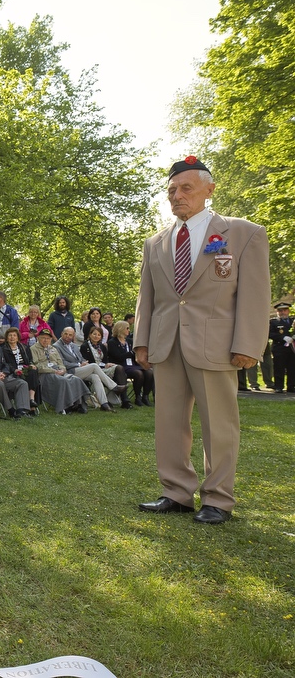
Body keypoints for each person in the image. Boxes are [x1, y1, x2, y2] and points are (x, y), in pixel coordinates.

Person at [134, 156, 270, 525]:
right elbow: (148, 297)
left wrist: (248, 344)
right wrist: (141, 341)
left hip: (217, 345)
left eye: (185, 188)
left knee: (219, 424)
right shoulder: (156, 242)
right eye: (171, 191)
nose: (177, 196)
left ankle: (218, 499)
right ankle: (176, 493)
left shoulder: (244, 234)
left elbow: (255, 296)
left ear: (209, 190)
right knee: (169, 422)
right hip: (167, 343)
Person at [54, 326, 123, 412]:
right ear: (61, 334)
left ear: (73, 336)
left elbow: (81, 358)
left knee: (95, 377)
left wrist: (84, 363)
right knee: (94, 366)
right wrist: (79, 364)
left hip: (80, 370)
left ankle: (104, 404)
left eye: (70, 335)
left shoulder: (74, 346)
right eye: (66, 334)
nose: (68, 336)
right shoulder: (56, 346)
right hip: (69, 371)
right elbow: (62, 363)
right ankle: (114, 387)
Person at [29, 328, 90, 414]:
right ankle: (66, 406)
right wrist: (52, 370)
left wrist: (63, 369)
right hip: (45, 374)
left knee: (76, 379)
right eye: (43, 338)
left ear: (51, 339)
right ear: (38, 338)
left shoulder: (53, 348)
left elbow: (60, 362)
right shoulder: (33, 349)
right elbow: (36, 365)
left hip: (58, 371)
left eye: (48, 338)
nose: (45, 340)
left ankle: (78, 404)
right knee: (63, 381)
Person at [81, 322, 131, 408]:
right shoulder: (85, 346)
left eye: (99, 335)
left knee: (119, 368)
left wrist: (107, 364)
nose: (96, 336)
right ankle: (114, 389)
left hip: (103, 368)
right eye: (94, 334)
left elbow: (105, 360)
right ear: (90, 335)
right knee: (100, 370)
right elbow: (86, 362)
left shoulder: (102, 347)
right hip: (92, 370)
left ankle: (124, 399)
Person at [107, 320, 153, 407]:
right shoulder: (112, 342)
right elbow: (118, 357)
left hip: (133, 364)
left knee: (149, 372)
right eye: (127, 328)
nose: (129, 330)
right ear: (121, 329)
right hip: (122, 366)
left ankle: (145, 396)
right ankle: (137, 397)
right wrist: (132, 353)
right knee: (138, 374)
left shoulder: (130, 341)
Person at [0, 327, 38, 413]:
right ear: (6, 337)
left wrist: (31, 365)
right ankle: (30, 407)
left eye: (14, 335)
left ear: (18, 337)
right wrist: (14, 370)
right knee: (29, 378)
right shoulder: (2, 348)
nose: (12, 337)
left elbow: (30, 360)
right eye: (10, 335)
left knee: (33, 372)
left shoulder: (24, 347)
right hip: (12, 371)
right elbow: (4, 363)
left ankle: (31, 400)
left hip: (24, 369)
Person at [268, 300, 293, 393]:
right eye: (280, 311)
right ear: (277, 312)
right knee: (279, 367)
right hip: (279, 348)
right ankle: (278, 386)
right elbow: (270, 334)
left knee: (292, 367)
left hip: (292, 349)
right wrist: (283, 337)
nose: (283, 312)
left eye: (285, 310)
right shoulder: (274, 322)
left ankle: (291, 386)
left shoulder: (292, 321)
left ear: (288, 311)